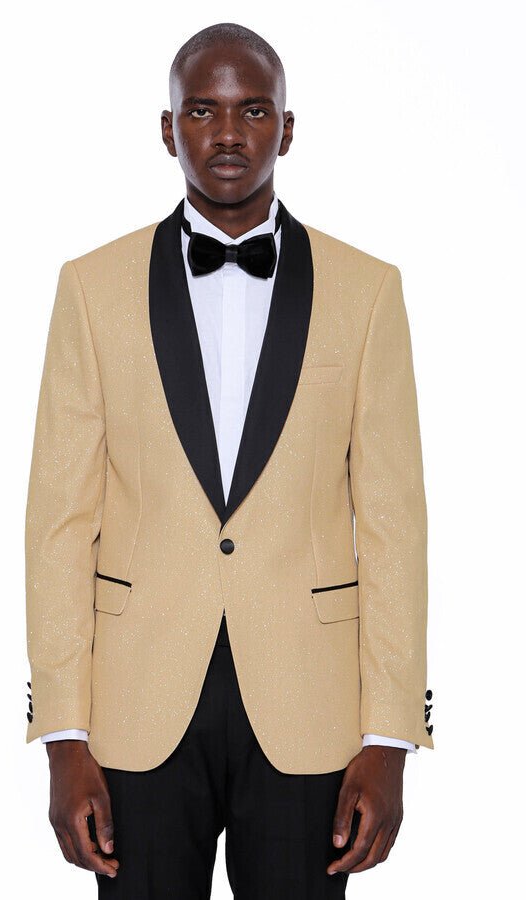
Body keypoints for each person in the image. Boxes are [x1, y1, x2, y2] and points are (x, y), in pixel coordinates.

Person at [24, 21, 434, 899]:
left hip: (311, 714)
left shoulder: (367, 292)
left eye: (253, 110)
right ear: (167, 128)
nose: (227, 133)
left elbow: (394, 526)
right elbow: (59, 524)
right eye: (201, 111)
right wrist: (62, 734)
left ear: (286, 129)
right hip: (134, 710)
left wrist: (390, 737)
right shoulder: (92, 289)